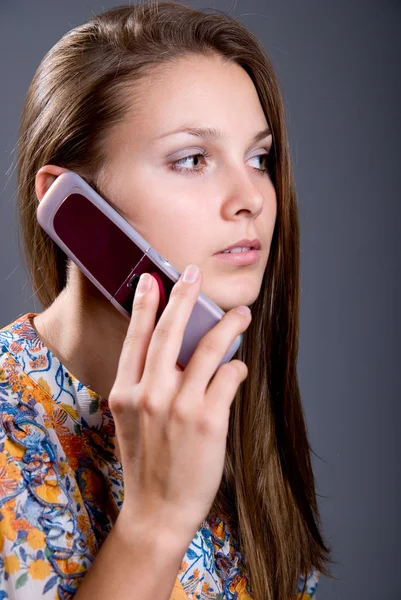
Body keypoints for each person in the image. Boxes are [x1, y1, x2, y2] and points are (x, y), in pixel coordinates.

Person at [0, 2, 333, 599]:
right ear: (69, 206)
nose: (252, 198)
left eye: (259, 158)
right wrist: (154, 527)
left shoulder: (220, 408)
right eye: (192, 159)